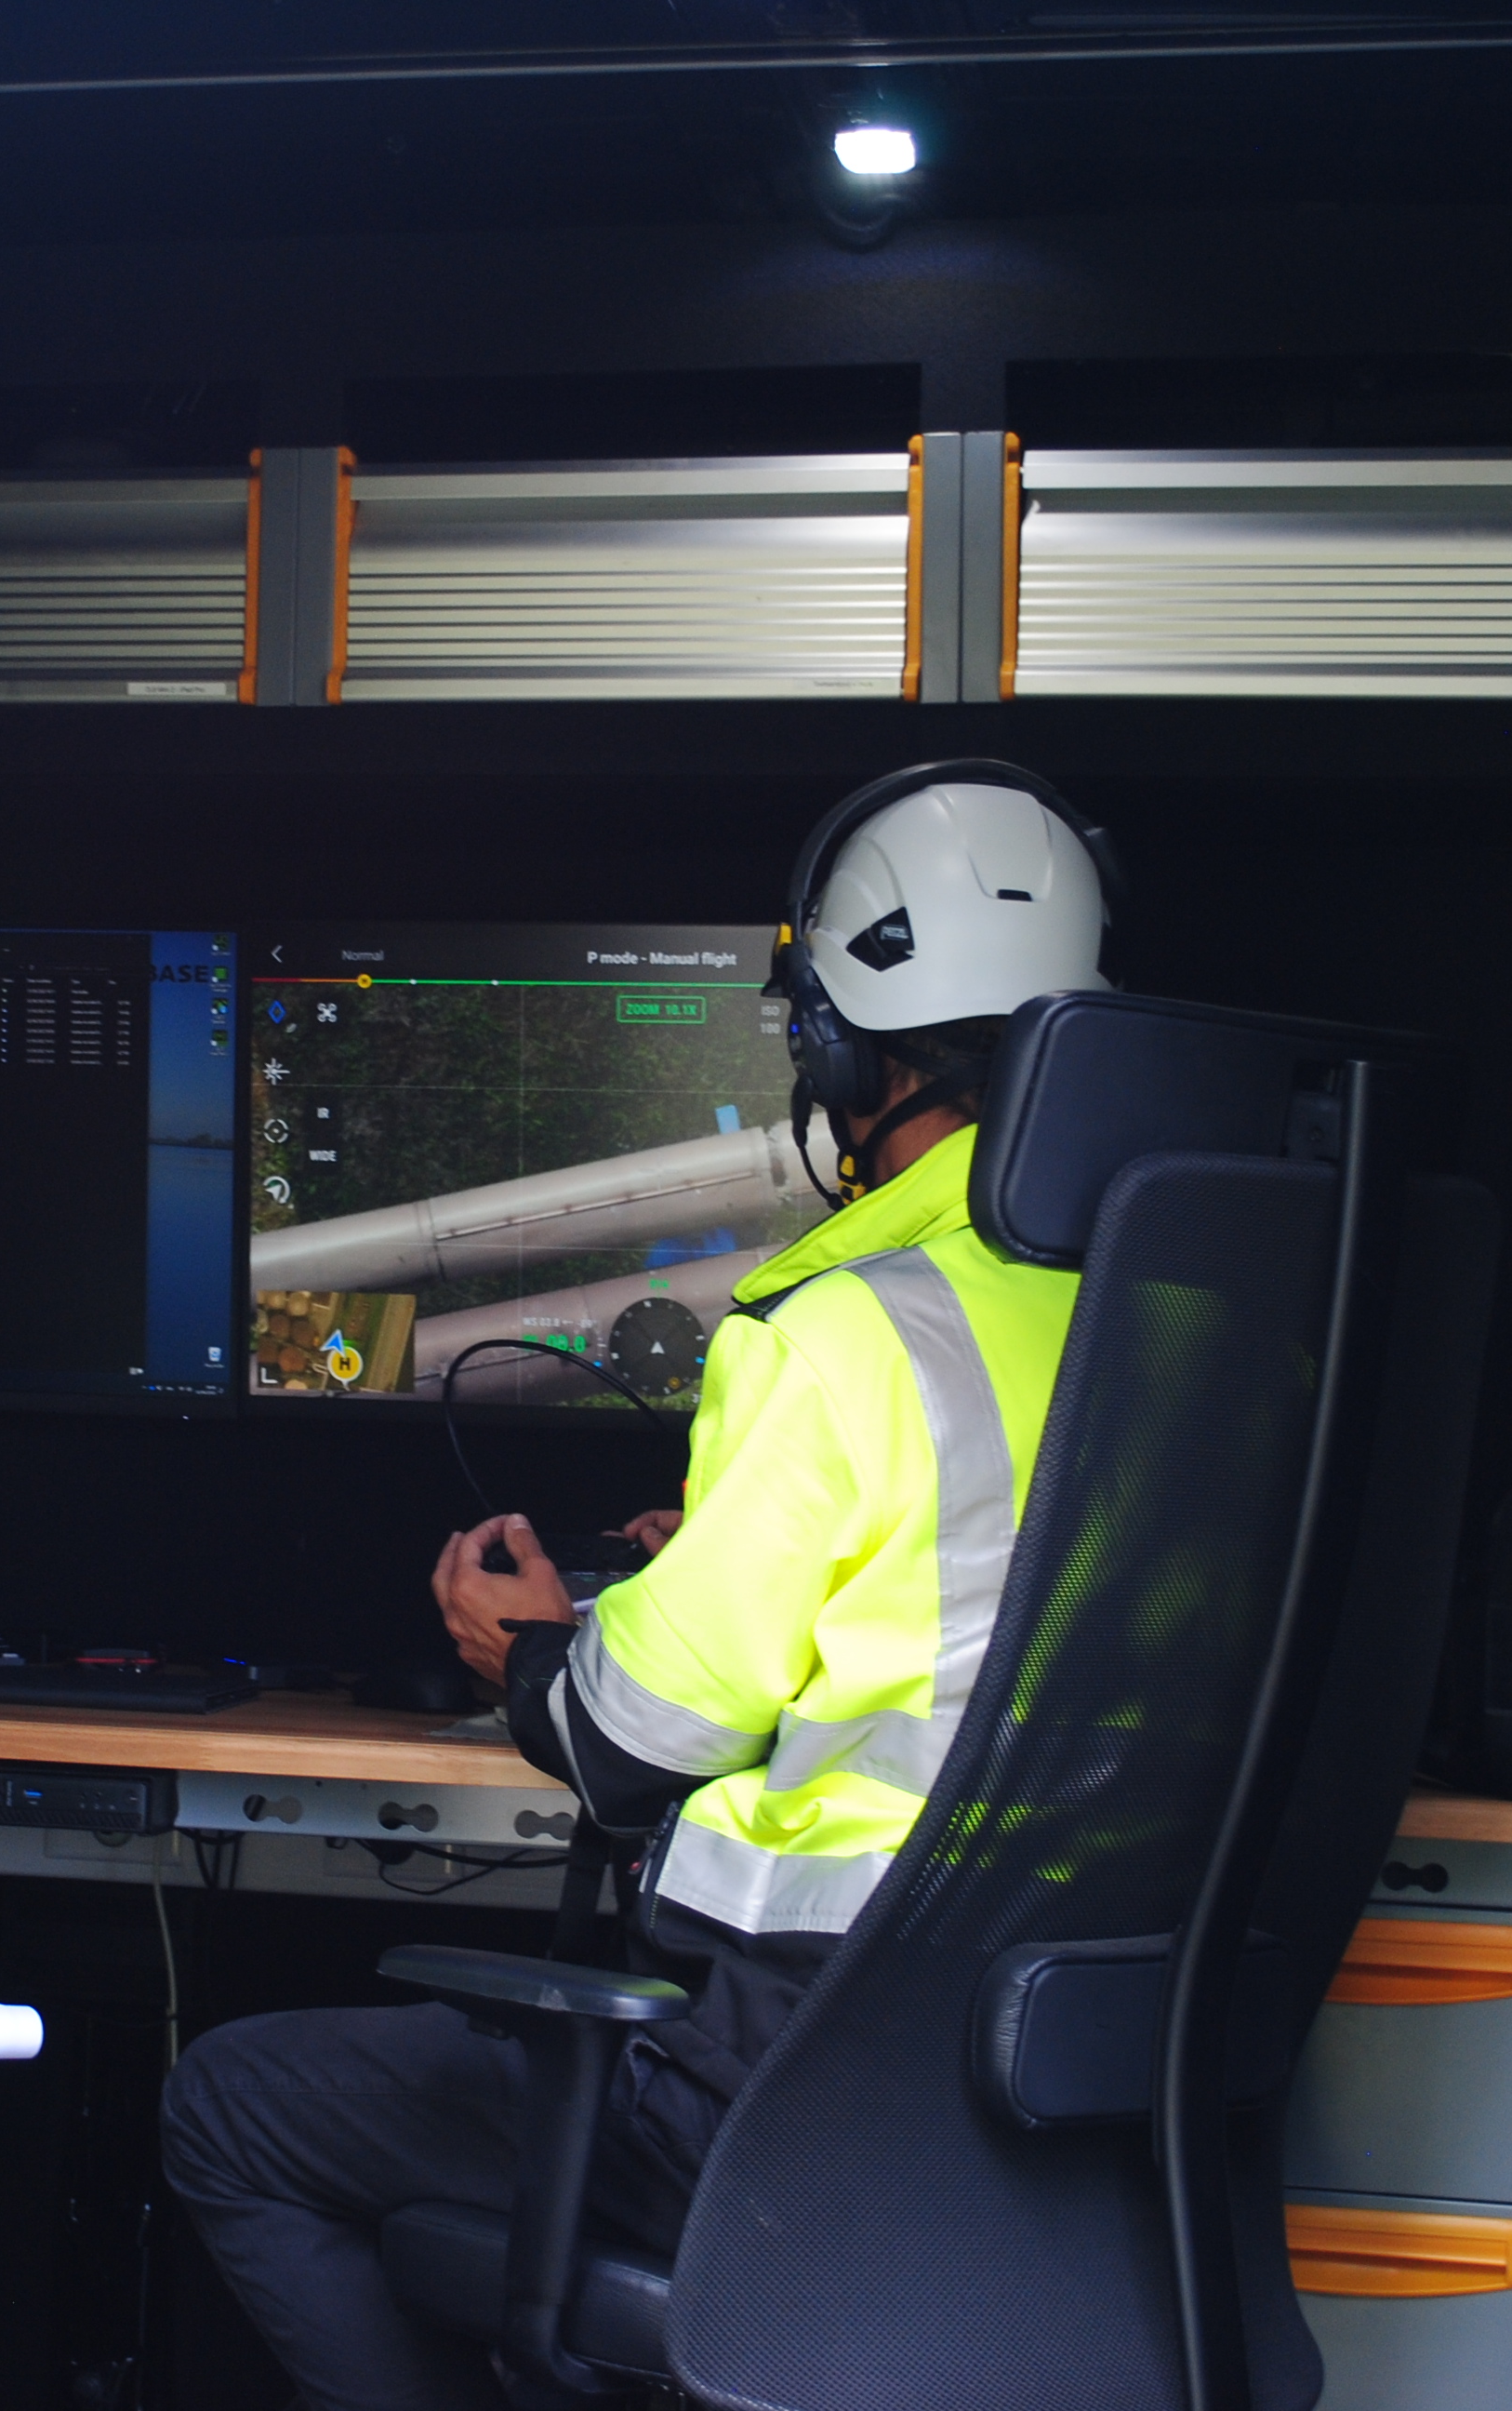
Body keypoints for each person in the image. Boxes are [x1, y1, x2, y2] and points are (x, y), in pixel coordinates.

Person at [164, 761, 1115, 2411]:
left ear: (838, 1043)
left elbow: (629, 1743)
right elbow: (981, 1615)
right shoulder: (1179, 1311)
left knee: (230, 2107)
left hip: (793, 2090)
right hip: (1066, 2096)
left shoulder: (835, 1329)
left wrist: (534, 1650)